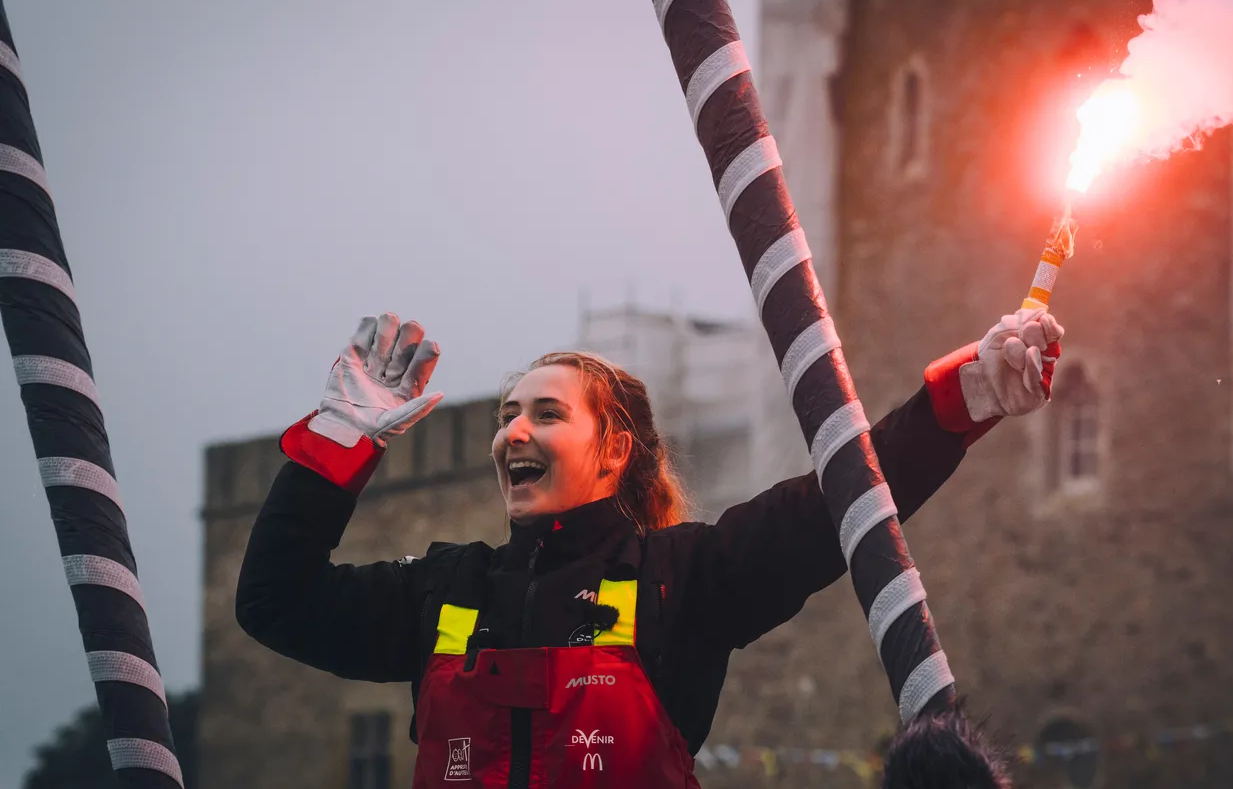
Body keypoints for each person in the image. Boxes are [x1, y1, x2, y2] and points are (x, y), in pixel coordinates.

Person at [236, 308, 1064, 788]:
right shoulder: (445, 592)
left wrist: (965, 398)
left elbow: (831, 509)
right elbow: (276, 602)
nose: (512, 432)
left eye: (546, 414)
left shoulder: (684, 580)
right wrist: (338, 441)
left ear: (614, 450)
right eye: (506, 416)